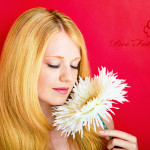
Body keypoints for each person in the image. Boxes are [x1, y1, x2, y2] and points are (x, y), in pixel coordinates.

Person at [0, 7, 138, 150]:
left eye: (74, 65)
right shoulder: (4, 133)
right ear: (23, 65)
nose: (68, 77)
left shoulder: (97, 123)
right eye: (54, 65)